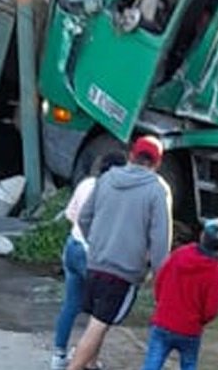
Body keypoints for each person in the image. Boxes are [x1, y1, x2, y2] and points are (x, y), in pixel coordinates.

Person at [67, 136, 173, 370]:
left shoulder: (106, 179)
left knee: (96, 318)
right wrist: (160, 276)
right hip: (124, 271)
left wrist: (96, 244)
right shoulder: (157, 191)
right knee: (100, 324)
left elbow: (84, 218)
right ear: (157, 163)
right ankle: (74, 367)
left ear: (132, 155)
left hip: (95, 262)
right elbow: (160, 241)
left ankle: (91, 364)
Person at [50, 152, 128, 370]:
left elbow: (71, 215)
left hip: (72, 246)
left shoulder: (86, 184)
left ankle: (59, 355)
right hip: (94, 256)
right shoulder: (111, 192)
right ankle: (89, 359)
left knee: (71, 304)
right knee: (99, 313)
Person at [140, 218, 218, 370]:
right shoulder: (215, 272)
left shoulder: (180, 254)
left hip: (163, 321)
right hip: (190, 330)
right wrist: (200, 321)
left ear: (202, 236)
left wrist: (161, 304)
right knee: (189, 364)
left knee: (152, 362)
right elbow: (211, 309)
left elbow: (160, 281)